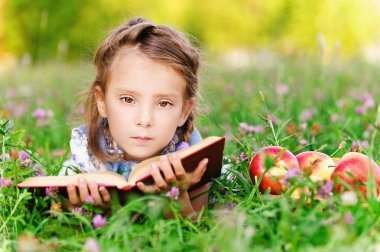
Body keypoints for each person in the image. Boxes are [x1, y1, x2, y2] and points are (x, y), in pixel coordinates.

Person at [59, 17, 209, 219]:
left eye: (163, 103)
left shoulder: (193, 159)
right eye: (128, 99)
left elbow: (200, 234)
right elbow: (59, 227)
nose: (145, 119)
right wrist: (90, 212)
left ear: (184, 111)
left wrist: (176, 201)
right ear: (102, 101)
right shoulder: (85, 158)